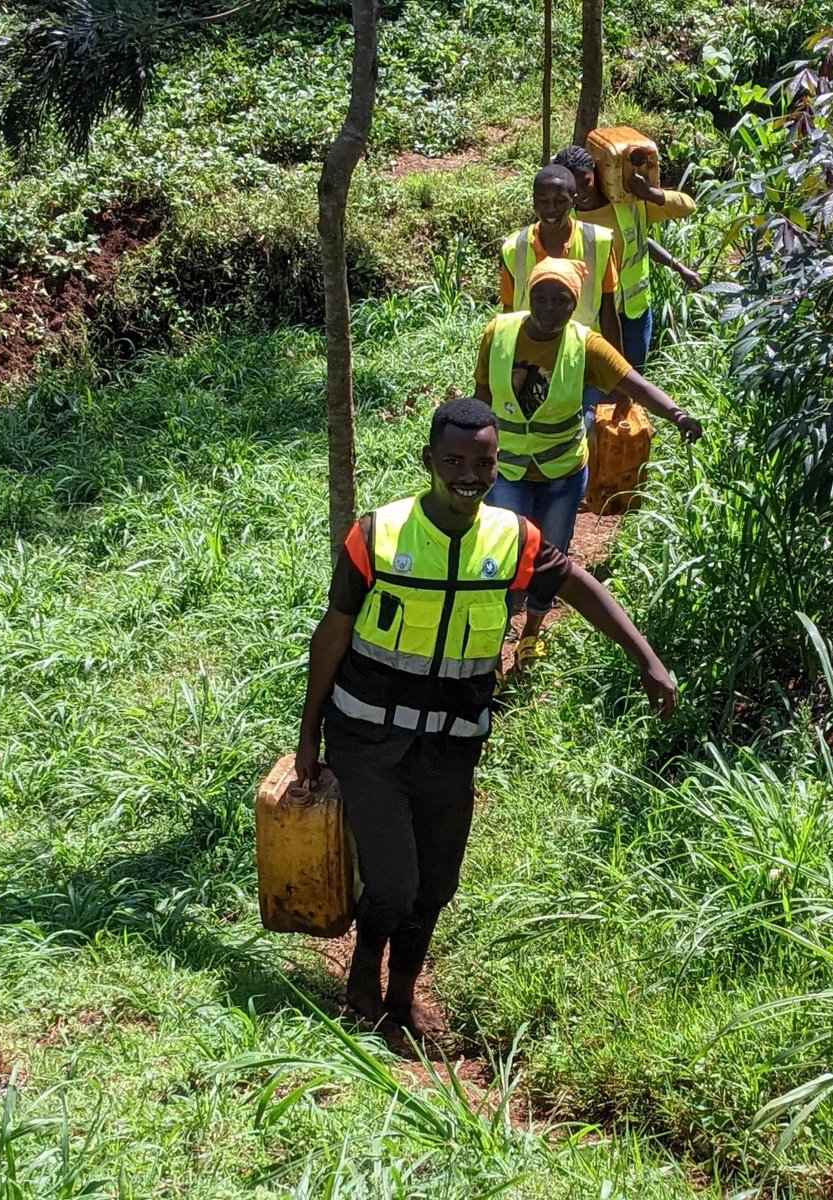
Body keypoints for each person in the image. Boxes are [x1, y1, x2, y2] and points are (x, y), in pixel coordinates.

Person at [294, 396, 681, 1038]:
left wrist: (647, 659)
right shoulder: (378, 535)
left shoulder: (512, 538)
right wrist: (310, 737)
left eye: (483, 462)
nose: (469, 475)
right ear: (429, 461)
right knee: (393, 881)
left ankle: (402, 997)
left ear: (497, 465)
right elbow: (331, 634)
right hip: (368, 738)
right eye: (454, 460)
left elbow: (581, 586)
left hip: (451, 745)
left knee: (435, 885)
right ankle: (362, 977)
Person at [474, 256, 703, 669]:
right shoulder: (500, 332)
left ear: (573, 303)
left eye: (561, 300)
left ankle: (532, 633)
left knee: (552, 556)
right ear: (530, 296)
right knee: (505, 555)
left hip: (561, 472)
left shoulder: (586, 344)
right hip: (507, 470)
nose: (550, 308)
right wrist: (468, 456)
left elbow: (634, 383)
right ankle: (491, 647)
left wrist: (677, 414)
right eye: (541, 298)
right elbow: (482, 397)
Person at [552, 144, 703, 376]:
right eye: (572, 186)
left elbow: (684, 209)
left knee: (632, 384)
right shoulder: (565, 221)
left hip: (635, 314)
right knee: (596, 387)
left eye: (586, 182)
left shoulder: (627, 205)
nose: (579, 192)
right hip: (592, 320)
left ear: (596, 173)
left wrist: (651, 194)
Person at [501, 164, 623, 353]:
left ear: (573, 202)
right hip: (534, 359)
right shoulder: (514, 248)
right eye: (543, 201)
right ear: (534, 202)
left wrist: (616, 374)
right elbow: (509, 313)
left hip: (584, 356)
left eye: (560, 201)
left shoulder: (599, 243)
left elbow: (608, 313)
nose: (551, 210)